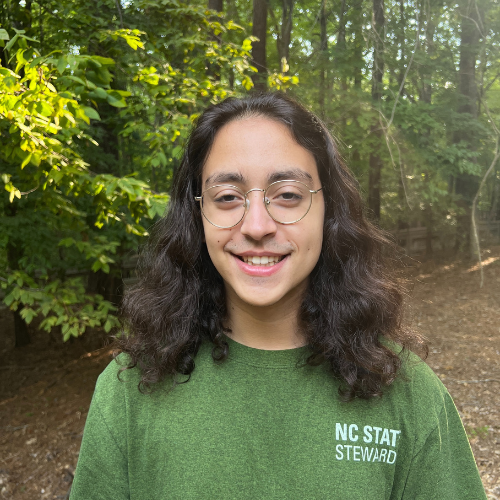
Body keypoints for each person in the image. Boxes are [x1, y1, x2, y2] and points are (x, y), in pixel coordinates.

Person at [70, 92, 487, 499]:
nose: (256, 225)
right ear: (197, 216)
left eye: (287, 195)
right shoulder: (128, 393)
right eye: (228, 197)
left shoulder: (407, 393)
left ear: (329, 211)